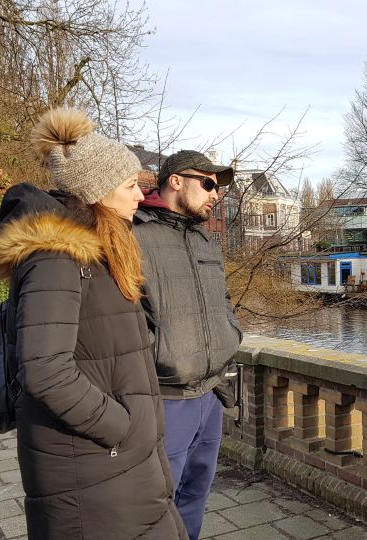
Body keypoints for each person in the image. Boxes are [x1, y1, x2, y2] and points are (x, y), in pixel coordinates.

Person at [0, 108, 187, 540]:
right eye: (130, 186)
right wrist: (121, 427)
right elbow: (45, 371)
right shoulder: (57, 257)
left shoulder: (99, 253)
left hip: (112, 464)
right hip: (90, 464)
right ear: (97, 191)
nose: (138, 196)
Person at [133, 150, 243, 540]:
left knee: (196, 494)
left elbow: (223, 300)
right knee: (157, 501)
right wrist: (157, 353)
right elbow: (119, 311)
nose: (216, 195)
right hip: (166, 397)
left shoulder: (204, 239)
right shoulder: (133, 233)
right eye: (208, 183)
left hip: (211, 393)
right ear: (175, 180)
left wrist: (231, 333)